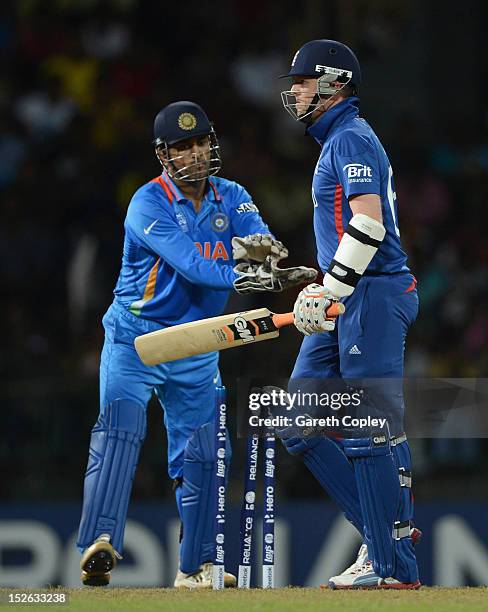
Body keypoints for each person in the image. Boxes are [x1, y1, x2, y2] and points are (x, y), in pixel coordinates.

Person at [76, 100, 317, 589]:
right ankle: (100, 540)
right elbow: (196, 266)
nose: (194, 154)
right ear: (163, 155)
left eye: (201, 142)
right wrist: (257, 275)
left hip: (198, 343)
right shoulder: (148, 202)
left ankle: (198, 566)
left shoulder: (234, 196)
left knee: (206, 451)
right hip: (136, 339)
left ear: (212, 144)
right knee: (120, 429)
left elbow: (261, 244)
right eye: (182, 147)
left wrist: (273, 266)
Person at [278, 40, 421, 589]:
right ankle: (385, 536)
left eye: (303, 80)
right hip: (347, 294)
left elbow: (368, 225)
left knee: (370, 425)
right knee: (297, 425)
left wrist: (330, 289)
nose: (294, 90)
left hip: (373, 293)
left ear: (335, 82)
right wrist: (320, 284)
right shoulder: (337, 140)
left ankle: (389, 566)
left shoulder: (353, 138)